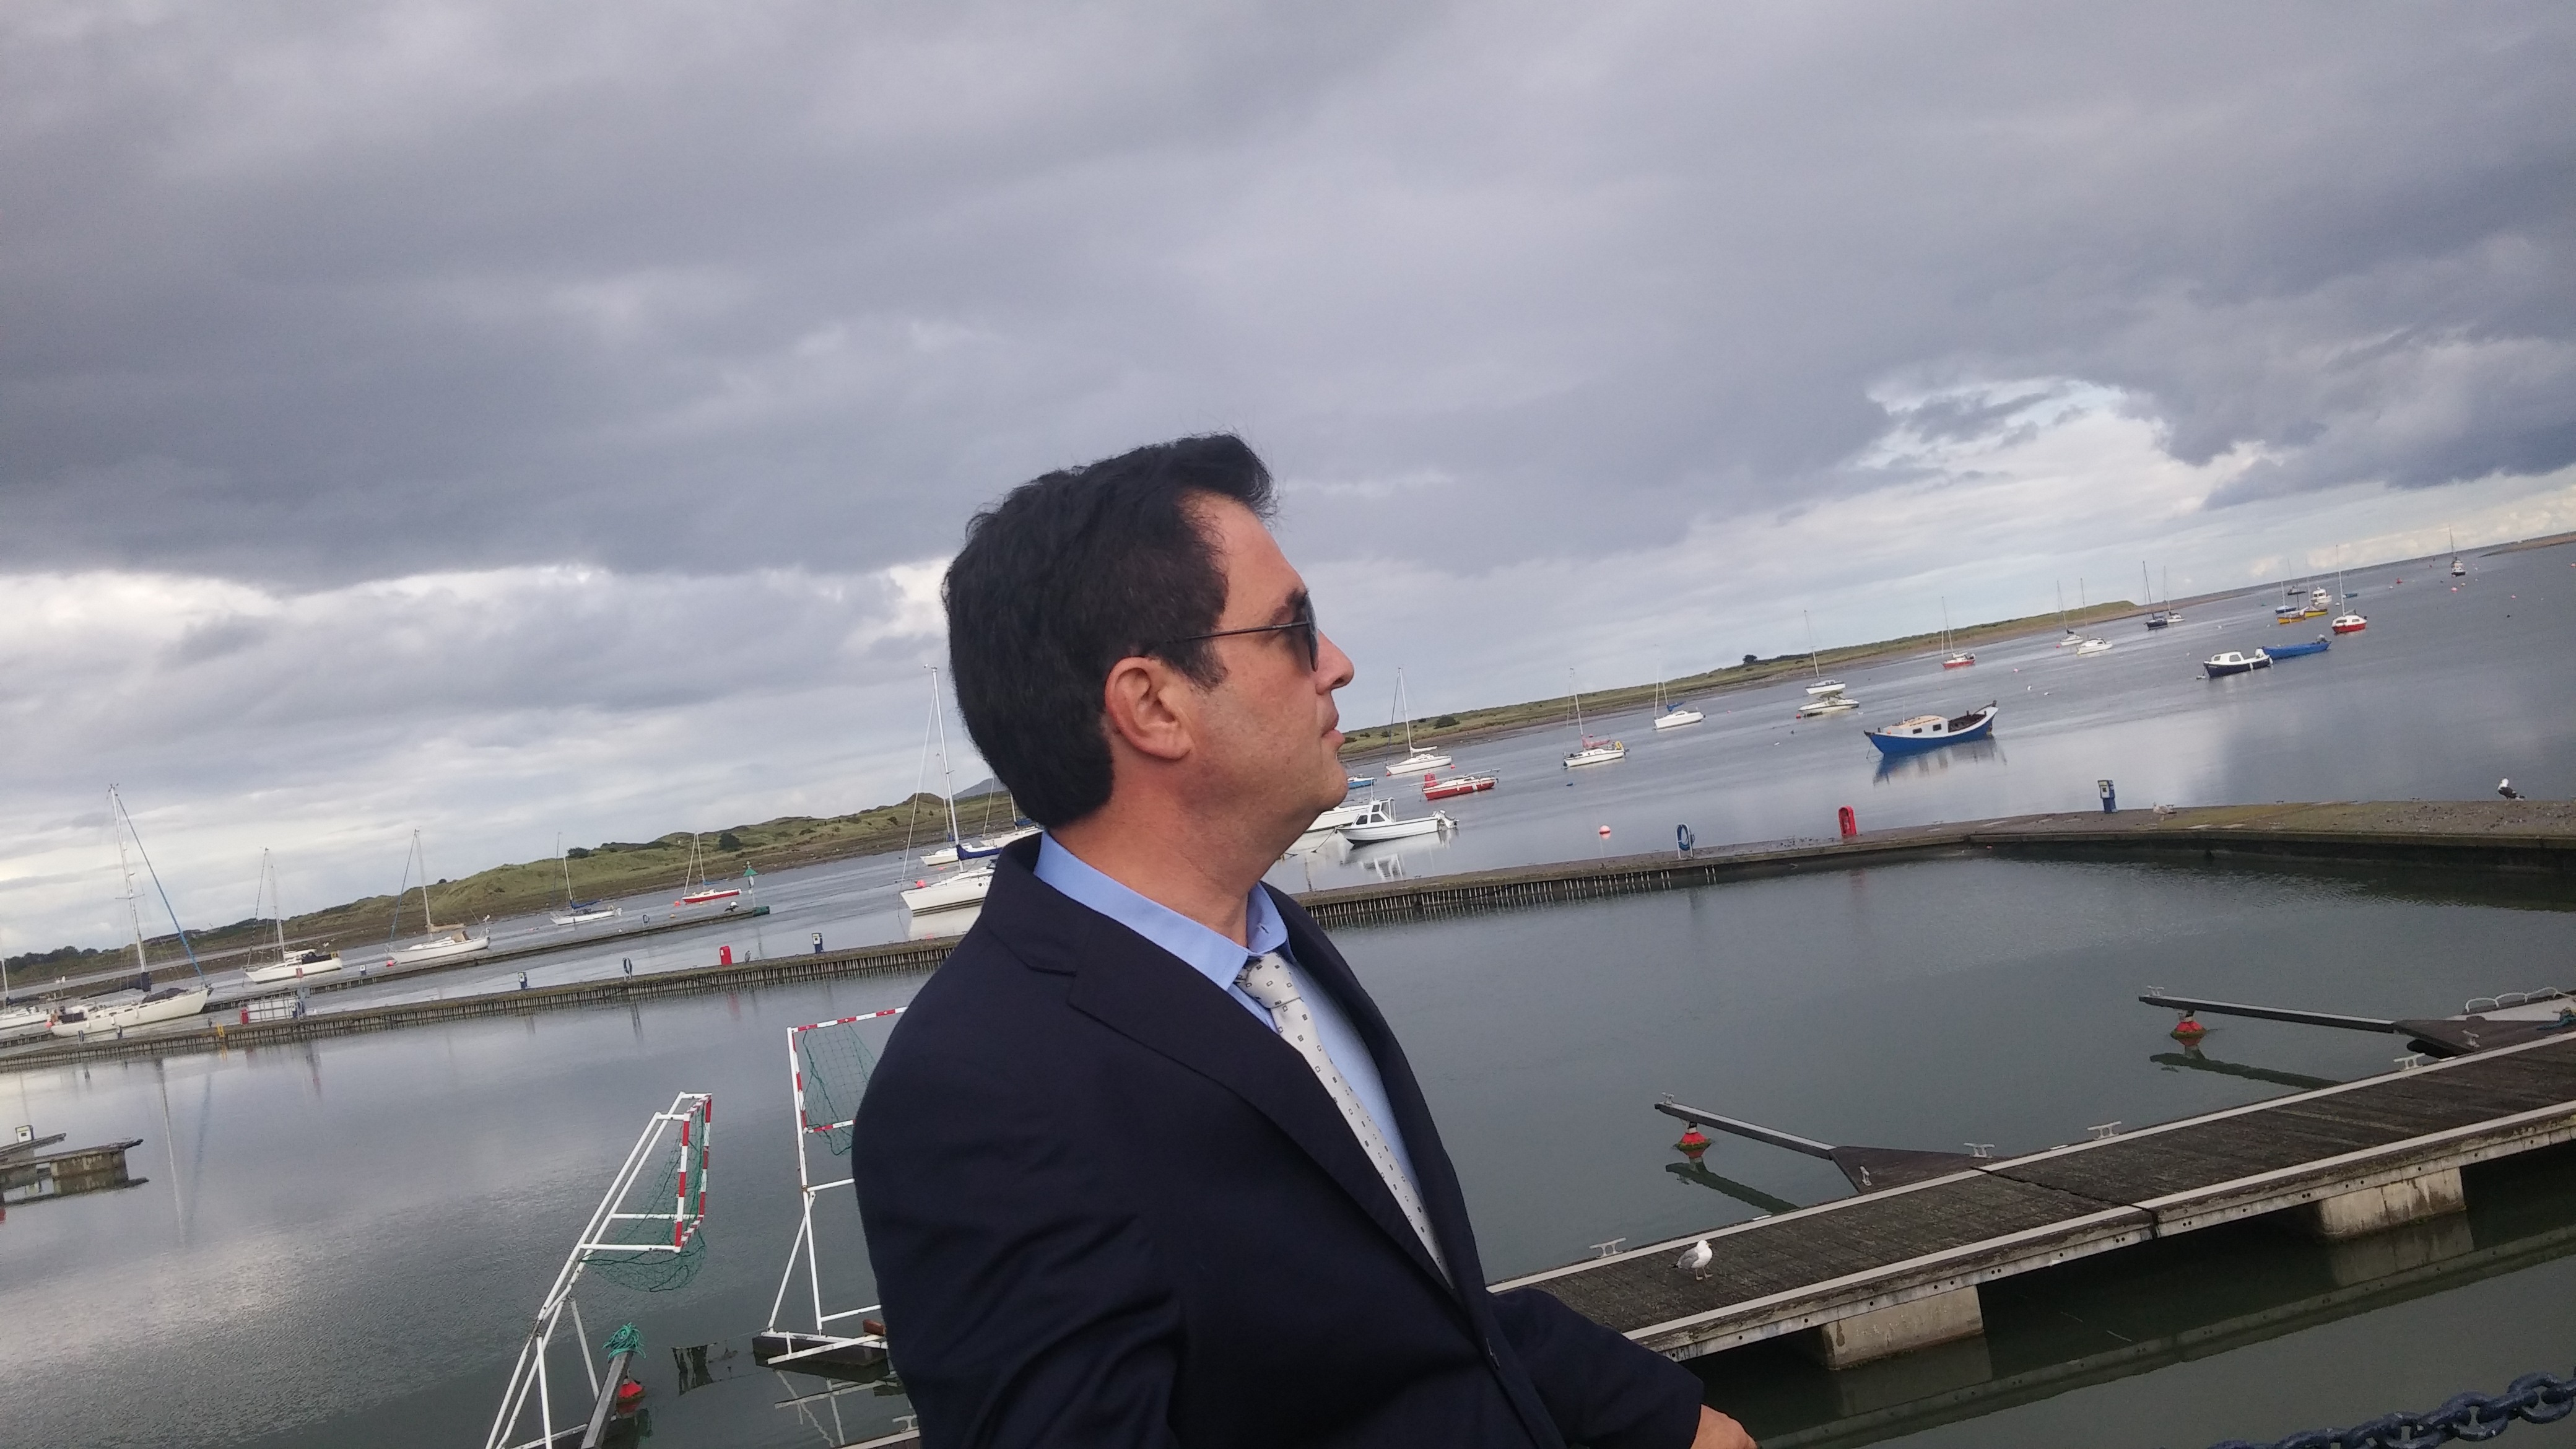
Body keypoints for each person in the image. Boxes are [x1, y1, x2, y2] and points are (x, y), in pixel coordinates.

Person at [855, 435, 1752, 1449]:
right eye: (1295, 630)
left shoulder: (1276, 946)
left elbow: (1414, 1318)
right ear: (1153, 705)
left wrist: (1664, 1416)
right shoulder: (975, 1095)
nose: (1338, 664)